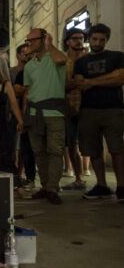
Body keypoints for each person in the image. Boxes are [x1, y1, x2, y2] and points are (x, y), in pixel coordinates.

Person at [73, 24, 124, 201]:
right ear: (90, 39)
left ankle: (121, 186)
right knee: (93, 149)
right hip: (88, 110)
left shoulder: (117, 56)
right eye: (95, 39)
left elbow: (121, 77)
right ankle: (101, 185)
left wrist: (93, 82)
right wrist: (110, 78)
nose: (98, 42)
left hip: (113, 108)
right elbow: (80, 82)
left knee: (117, 148)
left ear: (106, 40)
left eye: (102, 39)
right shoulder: (80, 62)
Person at [23, 28, 67, 205]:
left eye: (32, 40)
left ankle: (52, 188)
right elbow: (27, 92)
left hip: (54, 113)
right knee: (39, 152)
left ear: (43, 39)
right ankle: (45, 185)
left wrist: (50, 45)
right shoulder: (29, 65)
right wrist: (24, 117)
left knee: (55, 151)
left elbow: (62, 59)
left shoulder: (56, 57)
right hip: (34, 114)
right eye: (28, 41)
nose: (29, 44)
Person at [62, 28, 87, 190]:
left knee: (89, 144)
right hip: (69, 107)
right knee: (71, 145)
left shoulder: (89, 59)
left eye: (82, 38)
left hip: (88, 107)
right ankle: (79, 178)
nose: (79, 41)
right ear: (68, 42)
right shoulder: (63, 62)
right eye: (75, 38)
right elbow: (61, 85)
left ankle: (94, 180)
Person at [12, 44, 36, 189]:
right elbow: (17, 92)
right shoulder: (21, 73)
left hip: (42, 113)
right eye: (25, 54)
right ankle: (30, 177)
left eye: (30, 54)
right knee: (26, 149)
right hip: (25, 113)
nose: (28, 57)